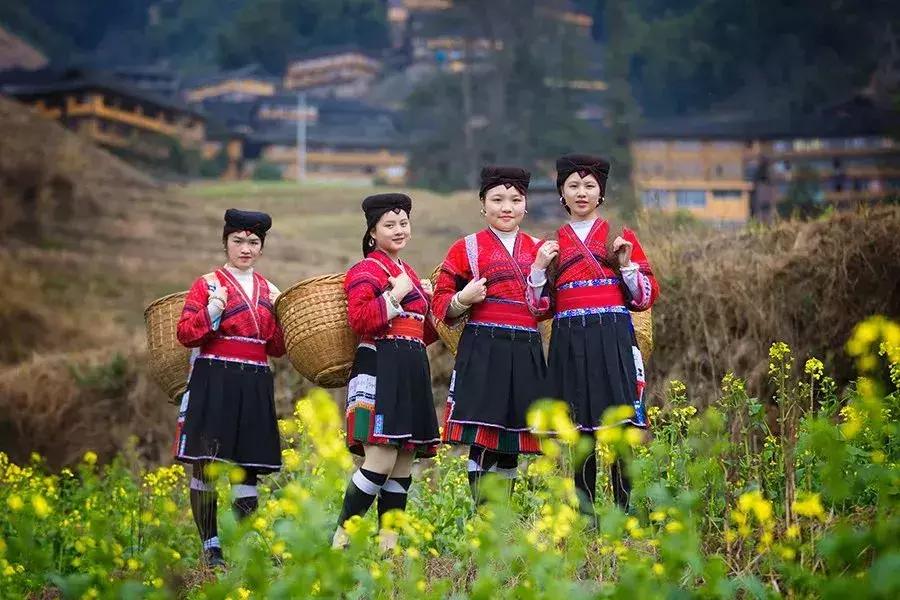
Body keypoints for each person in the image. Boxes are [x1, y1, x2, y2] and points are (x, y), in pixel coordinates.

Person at [533, 154, 658, 519]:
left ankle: (625, 511)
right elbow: (540, 308)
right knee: (580, 429)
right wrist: (539, 268)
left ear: (601, 192)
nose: (581, 193)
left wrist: (626, 265)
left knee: (619, 427)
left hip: (613, 336)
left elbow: (644, 296)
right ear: (562, 193)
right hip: (570, 339)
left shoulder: (620, 236)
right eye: (573, 186)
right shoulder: (552, 245)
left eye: (589, 186)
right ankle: (586, 518)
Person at [432, 166, 555, 504]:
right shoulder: (465, 248)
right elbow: (440, 302)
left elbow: (545, 308)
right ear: (483, 205)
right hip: (483, 347)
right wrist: (462, 299)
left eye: (515, 200)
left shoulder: (539, 249)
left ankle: (503, 523)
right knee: (483, 436)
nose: (507, 207)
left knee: (512, 439)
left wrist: (540, 271)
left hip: (526, 348)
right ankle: (483, 519)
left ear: (526, 206)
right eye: (497, 199)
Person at [174, 208, 286, 567]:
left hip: (254, 379)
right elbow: (186, 333)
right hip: (214, 377)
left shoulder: (270, 290)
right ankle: (211, 547)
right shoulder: (207, 284)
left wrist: (285, 313)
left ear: (262, 247)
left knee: (246, 466)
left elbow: (277, 347)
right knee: (208, 464)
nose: (245, 248)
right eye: (238, 241)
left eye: (253, 242)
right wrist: (213, 309)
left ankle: (242, 548)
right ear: (225, 242)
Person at [333, 193, 441, 550]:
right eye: (390, 225)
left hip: (411, 366)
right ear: (372, 232)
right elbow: (360, 319)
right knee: (380, 456)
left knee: (404, 460)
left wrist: (428, 301)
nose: (399, 230)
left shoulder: (407, 272)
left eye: (404, 223)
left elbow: (422, 335)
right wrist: (395, 297)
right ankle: (341, 538)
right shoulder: (364, 271)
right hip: (380, 363)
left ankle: (388, 549)